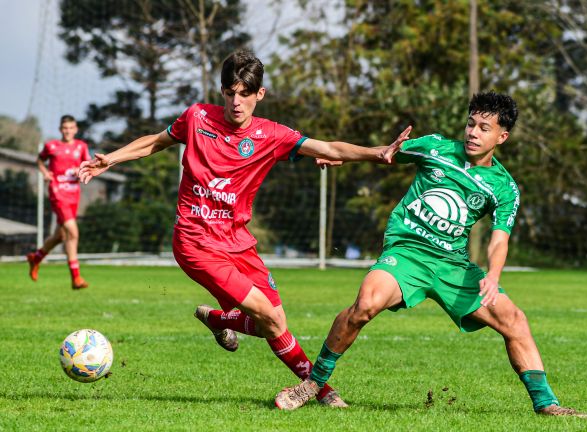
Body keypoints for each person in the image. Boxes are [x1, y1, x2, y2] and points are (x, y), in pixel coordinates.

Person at [78, 50, 411, 406]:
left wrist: (378, 153)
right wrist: (110, 158)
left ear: (260, 94)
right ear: (221, 91)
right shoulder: (197, 117)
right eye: (230, 93)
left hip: (238, 242)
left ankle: (219, 319)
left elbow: (328, 147)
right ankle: (323, 392)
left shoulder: (271, 135)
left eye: (245, 94)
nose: (236, 102)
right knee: (268, 315)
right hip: (195, 242)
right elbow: (155, 142)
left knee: (275, 321)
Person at [274, 92, 587, 419]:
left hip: (452, 266)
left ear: (502, 136)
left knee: (514, 320)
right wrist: (345, 156)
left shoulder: (503, 187)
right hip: (408, 252)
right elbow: (383, 154)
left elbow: (499, 240)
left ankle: (547, 404)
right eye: (471, 123)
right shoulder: (435, 148)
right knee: (366, 303)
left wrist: (494, 275)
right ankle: (314, 383)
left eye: (484, 128)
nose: (473, 132)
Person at [27, 115, 91, 290]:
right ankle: (76, 278)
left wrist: (81, 171)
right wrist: (45, 172)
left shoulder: (81, 147)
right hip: (58, 192)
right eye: (65, 128)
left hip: (73, 194)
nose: (68, 131)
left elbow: (87, 164)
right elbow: (40, 159)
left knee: (60, 236)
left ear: (75, 129)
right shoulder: (52, 146)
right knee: (73, 232)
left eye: (71, 128)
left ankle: (36, 257)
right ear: (60, 129)